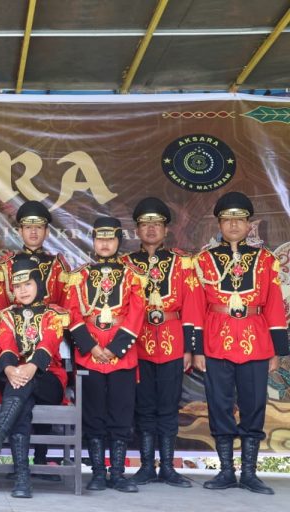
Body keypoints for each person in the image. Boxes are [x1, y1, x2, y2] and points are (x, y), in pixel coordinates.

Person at [192, 191, 289, 495]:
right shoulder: (203, 260)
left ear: (249, 224)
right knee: (219, 406)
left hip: (256, 342)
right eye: (227, 219)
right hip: (216, 341)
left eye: (240, 219)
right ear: (219, 224)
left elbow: (274, 307)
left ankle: (249, 473)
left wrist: (277, 351)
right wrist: (197, 349)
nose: (233, 224)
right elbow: (196, 308)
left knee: (254, 405)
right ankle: (225, 472)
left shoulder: (266, 260)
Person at [121, 197, 200, 488]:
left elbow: (192, 306)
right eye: (145, 224)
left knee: (169, 406)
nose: (151, 228)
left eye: (157, 223)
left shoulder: (183, 262)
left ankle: (167, 467)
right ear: (137, 230)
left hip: (172, 342)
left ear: (166, 229)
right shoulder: (125, 264)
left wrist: (190, 348)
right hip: (137, 343)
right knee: (143, 406)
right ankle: (145, 467)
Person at [65, 217, 145, 493]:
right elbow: (72, 313)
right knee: (93, 414)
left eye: (111, 239)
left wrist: (115, 348)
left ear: (119, 241)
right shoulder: (79, 276)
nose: (105, 244)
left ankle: (118, 474)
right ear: (93, 241)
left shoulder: (133, 275)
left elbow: (137, 313)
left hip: (122, 355)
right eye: (100, 238)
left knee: (121, 414)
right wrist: (91, 347)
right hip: (90, 355)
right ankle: (98, 472)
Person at [0, 258, 69, 498]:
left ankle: (0, 432)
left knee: (21, 388)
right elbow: (7, 346)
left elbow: (48, 343)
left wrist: (30, 368)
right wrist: (10, 369)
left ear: (39, 284)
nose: (22, 290)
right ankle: (22, 479)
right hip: (17, 379)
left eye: (28, 284)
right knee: (23, 404)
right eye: (17, 286)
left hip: (49, 380)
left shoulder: (54, 314)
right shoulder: (7, 316)